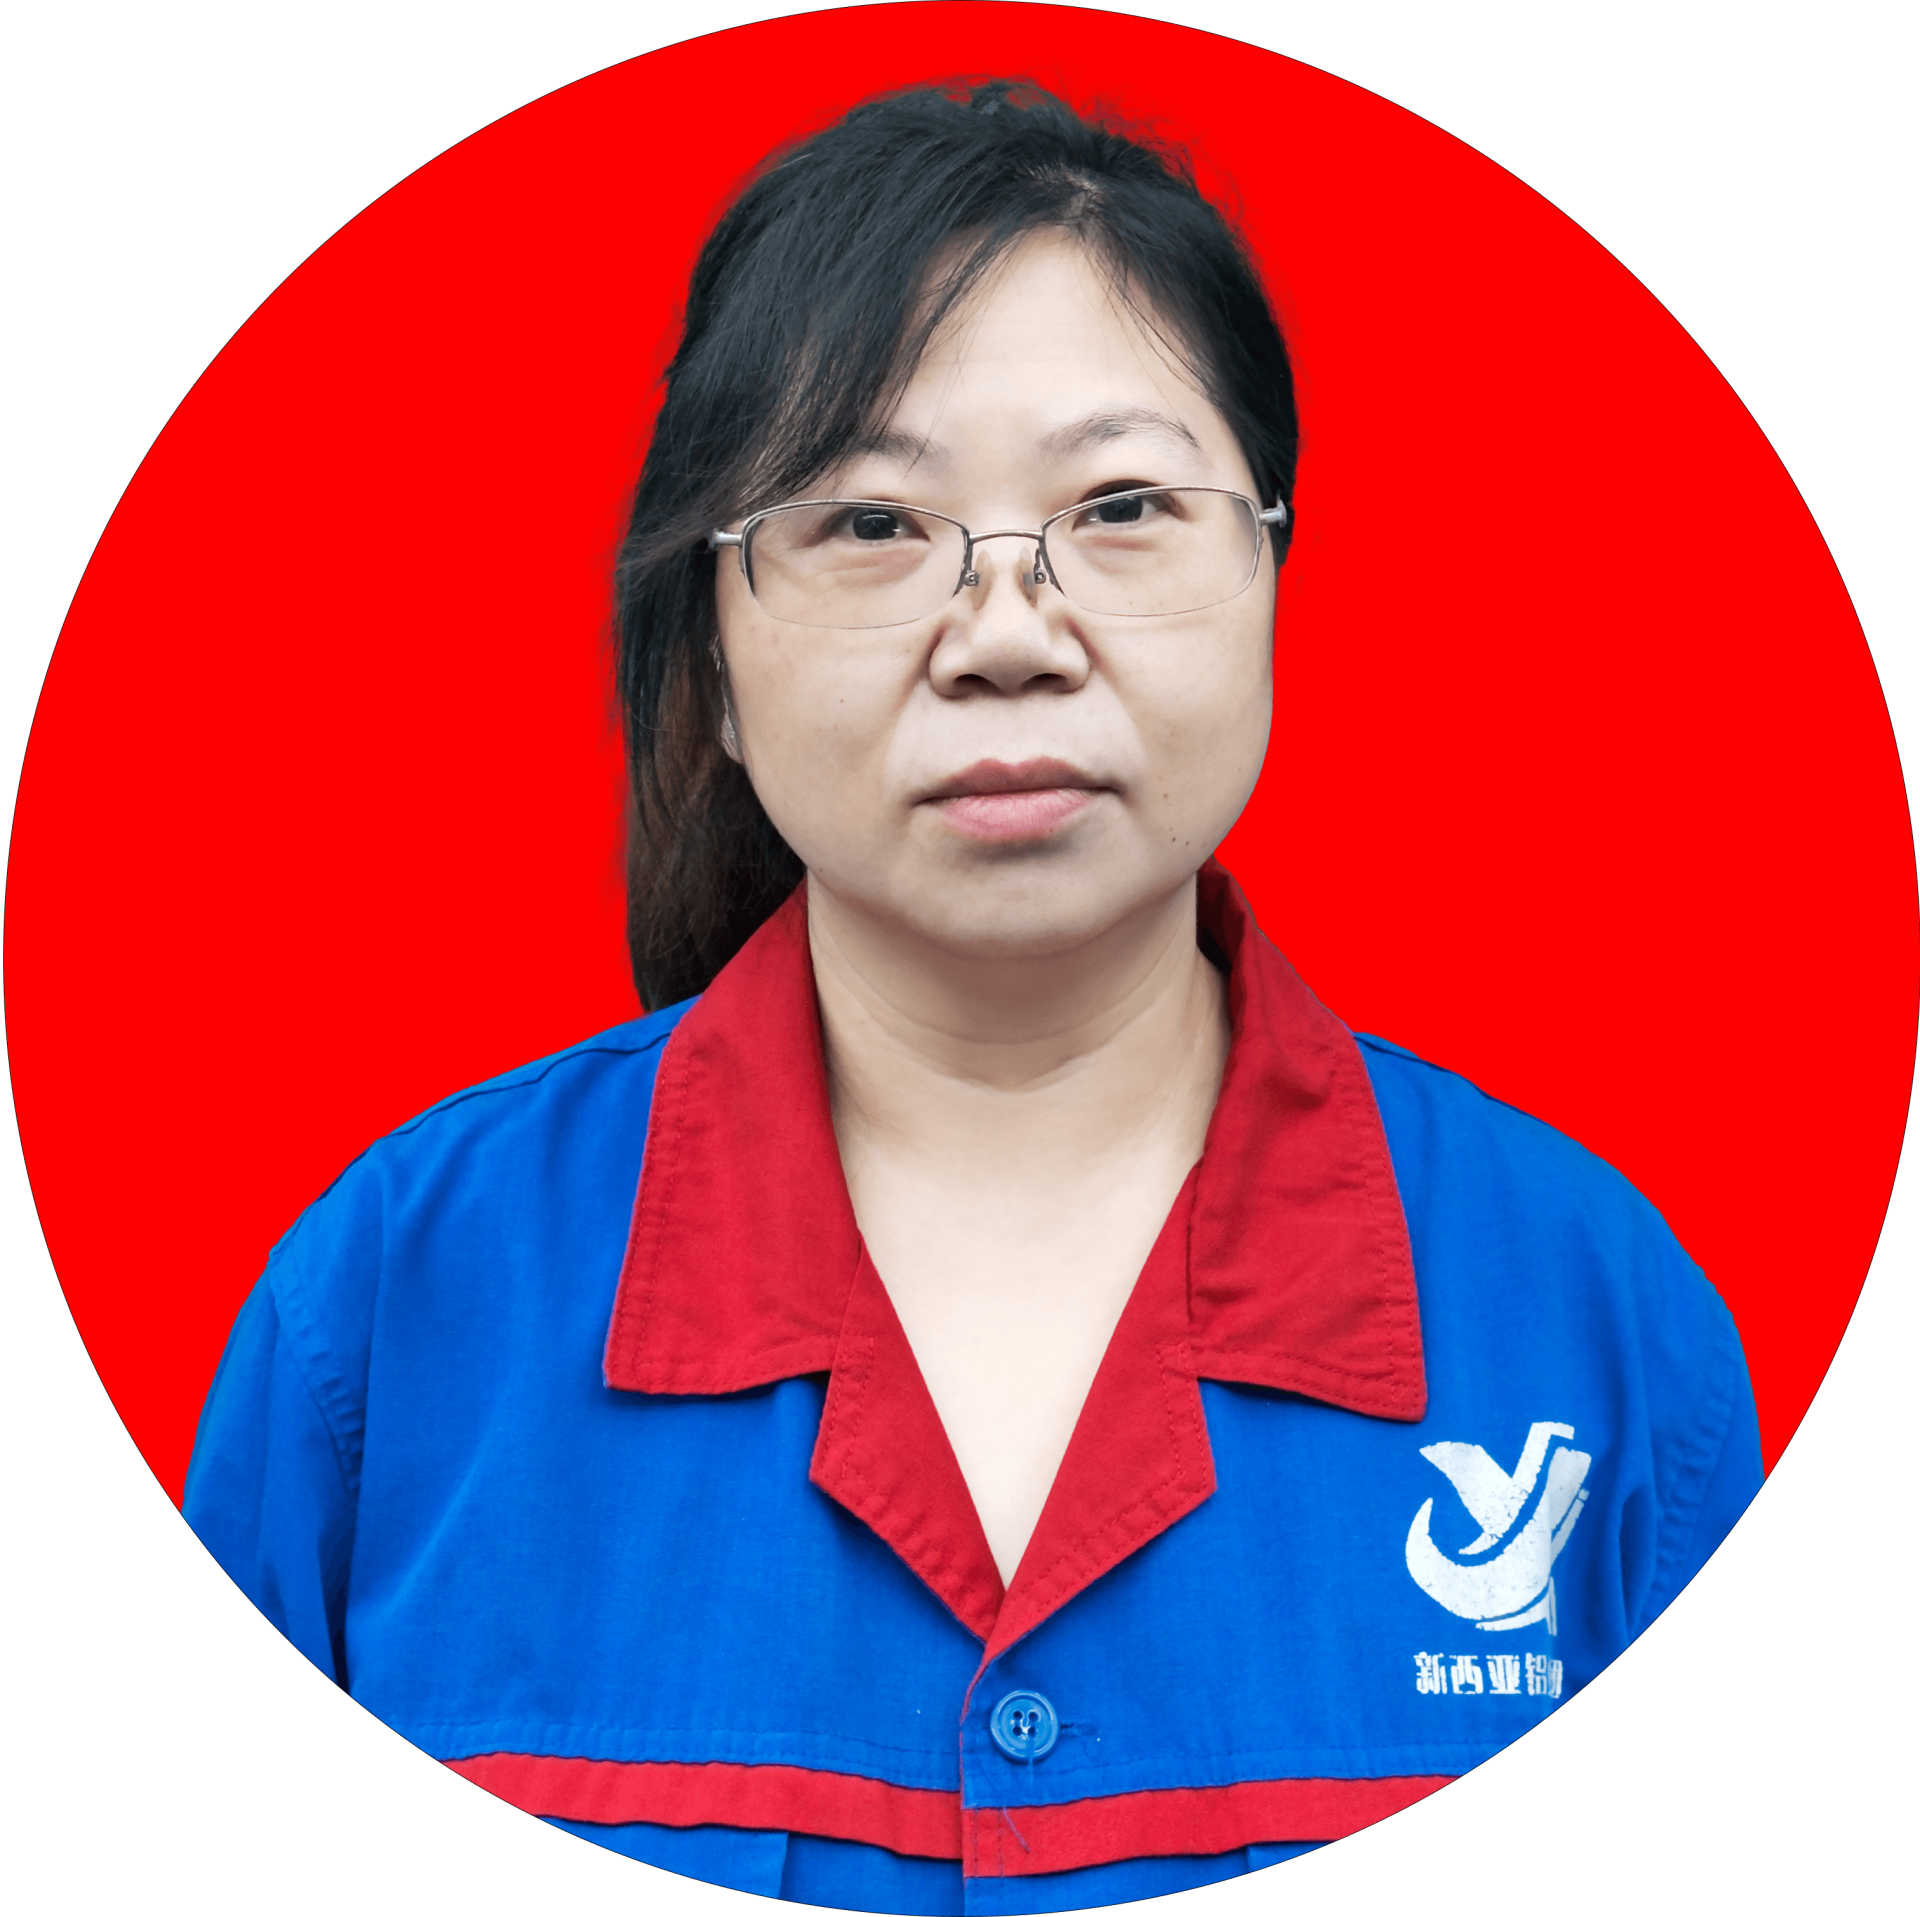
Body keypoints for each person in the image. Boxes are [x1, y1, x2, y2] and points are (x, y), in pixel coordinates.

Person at [183, 81, 1763, 1915]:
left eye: (1123, 506)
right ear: (713, 651)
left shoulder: (1592, 1321)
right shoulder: (396, 1312)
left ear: (1271, 566)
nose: (1008, 635)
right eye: (870, 522)